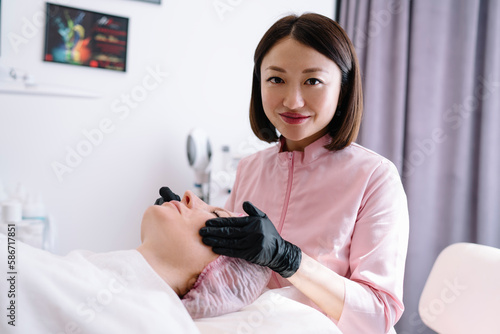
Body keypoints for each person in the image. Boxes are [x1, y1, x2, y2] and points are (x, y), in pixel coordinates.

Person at [197, 13, 409, 334]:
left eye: (313, 81)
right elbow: (227, 272)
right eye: (276, 79)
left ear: (343, 88)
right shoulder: (250, 168)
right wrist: (192, 224)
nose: (292, 101)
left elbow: (377, 315)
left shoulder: (375, 177)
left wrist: (290, 259)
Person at [0, 189, 269, 333]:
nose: (189, 195)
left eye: (216, 214)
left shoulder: (152, 321)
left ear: (216, 276)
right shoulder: (92, 269)